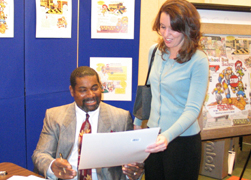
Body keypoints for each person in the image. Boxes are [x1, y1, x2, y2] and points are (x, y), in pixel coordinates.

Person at [133, 0, 209, 180]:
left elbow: (192, 109)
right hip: (153, 136)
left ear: (187, 28)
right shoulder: (154, 51)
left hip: (182, 141)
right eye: (162, 26)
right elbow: (149, 89)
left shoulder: (199, 60)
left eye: (173, 28)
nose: (166, 34)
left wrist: (166, 137)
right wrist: (137, 123)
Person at [32, 66, 144, 180]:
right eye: (83, 90)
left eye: (94, 88)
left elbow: (133, 161)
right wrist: (52, 166)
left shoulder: (121, 118)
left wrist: (135, 171)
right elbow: (40, 154)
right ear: (72, 91)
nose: (91, 95)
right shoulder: (55, 116)